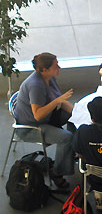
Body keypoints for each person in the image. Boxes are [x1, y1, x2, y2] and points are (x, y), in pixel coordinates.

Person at [15, 52, 75, 188]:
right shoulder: (36, 85)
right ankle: (58, 172)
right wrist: (56, 102)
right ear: (44, 70)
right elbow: (37, 115)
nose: (59, 67)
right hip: (32, 127)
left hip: (47, 117)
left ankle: (72, 151)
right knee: (66, 138)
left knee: (74, 118)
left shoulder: (50, 77)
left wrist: (78, 113)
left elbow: (60, 100)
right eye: (56, 66)